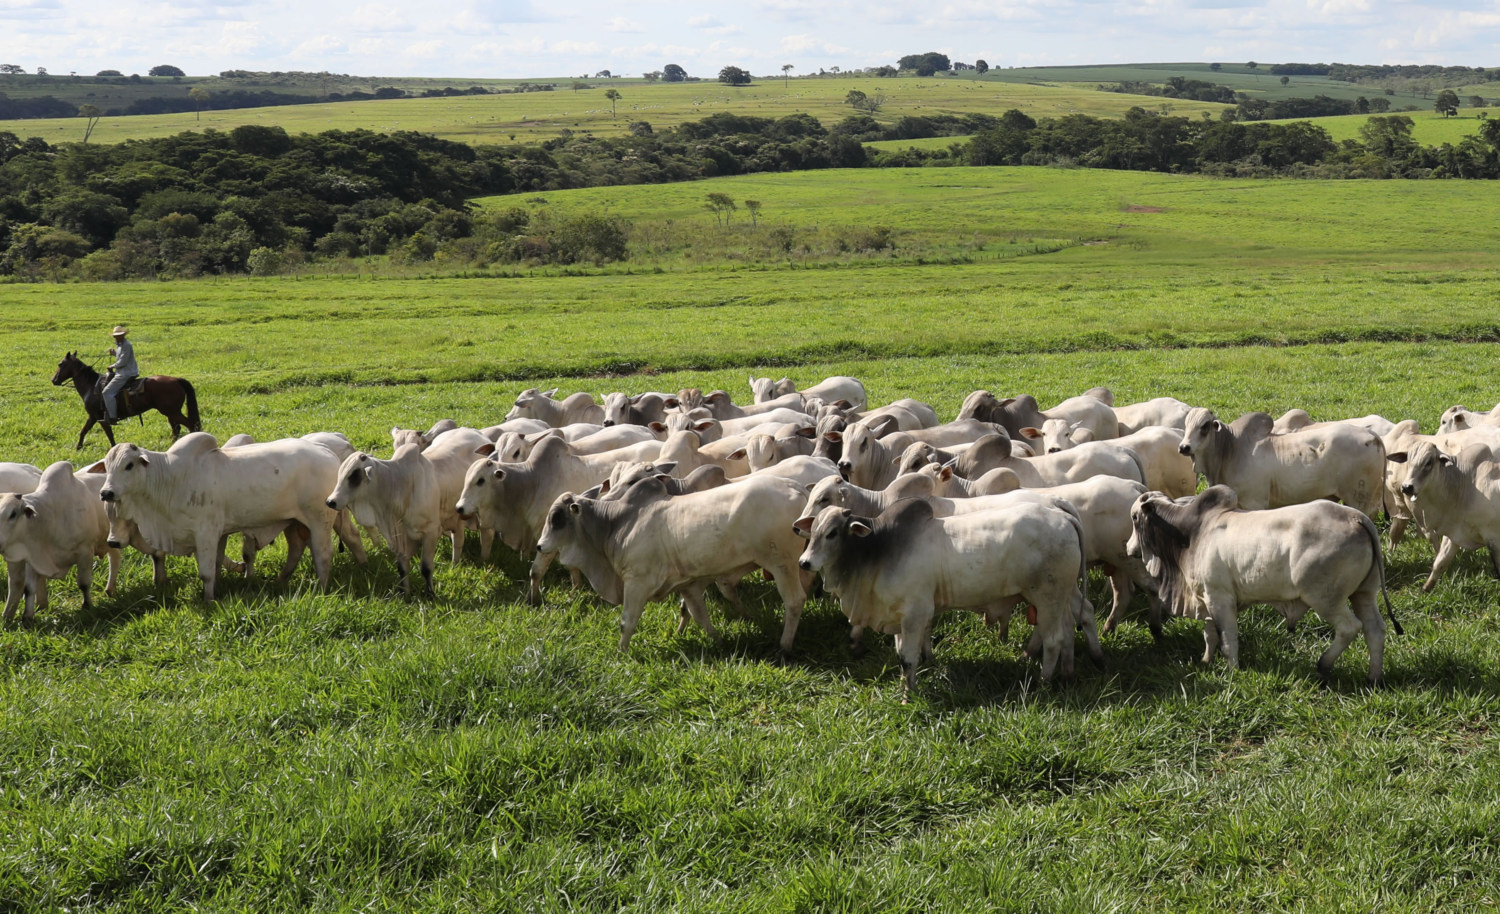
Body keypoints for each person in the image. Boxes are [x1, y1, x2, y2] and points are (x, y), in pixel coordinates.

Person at [103, 325, 138, 423]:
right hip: (125, 371)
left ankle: (113, 416)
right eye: (115, 336)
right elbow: (122, 356)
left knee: (106, 392)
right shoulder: (121, 345)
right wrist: (114, 353)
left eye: (118, 335)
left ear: (123, 335)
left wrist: (112, 366)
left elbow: (123, 361)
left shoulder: (126, 345)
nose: (117, 337)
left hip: (125, 373)